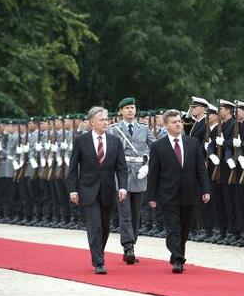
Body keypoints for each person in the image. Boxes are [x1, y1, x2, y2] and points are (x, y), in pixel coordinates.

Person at [147, 109, 210, 273]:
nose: (178, 124)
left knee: (184, 227)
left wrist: (205, 189)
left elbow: (200, 169)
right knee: (173, 227)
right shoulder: (158, 146)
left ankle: (178, 252)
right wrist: (151, 195)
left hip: (189, 192)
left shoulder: (192, 142)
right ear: (166, 125)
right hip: (167, 193)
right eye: (174, 122)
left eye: (179, 122)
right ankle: (177, 258)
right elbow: (154, 173)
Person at [67, 106, 128, 274]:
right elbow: (73, 167)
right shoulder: (81, 140)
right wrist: (73, 189)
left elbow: (121, 168)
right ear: (92, 122)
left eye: (106, 120)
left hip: (108, 190)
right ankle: (99, 262)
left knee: (105, 227)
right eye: (101, 120)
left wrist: (122, 186)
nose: (105, 123)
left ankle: (98, 254)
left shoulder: (115, 141)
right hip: (88, 190)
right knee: (95, 226)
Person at [109, 97, 155, 264]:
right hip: (121, 174)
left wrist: (148, 164)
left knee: (136, 214)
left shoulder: (143, 129)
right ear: (120, 111)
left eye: (132, 107)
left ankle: (131, 243)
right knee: (125, 213)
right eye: (127, 108)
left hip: (139, 174)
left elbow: (154, 148)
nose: (130, 110)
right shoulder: (114, 130)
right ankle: (128, 247)